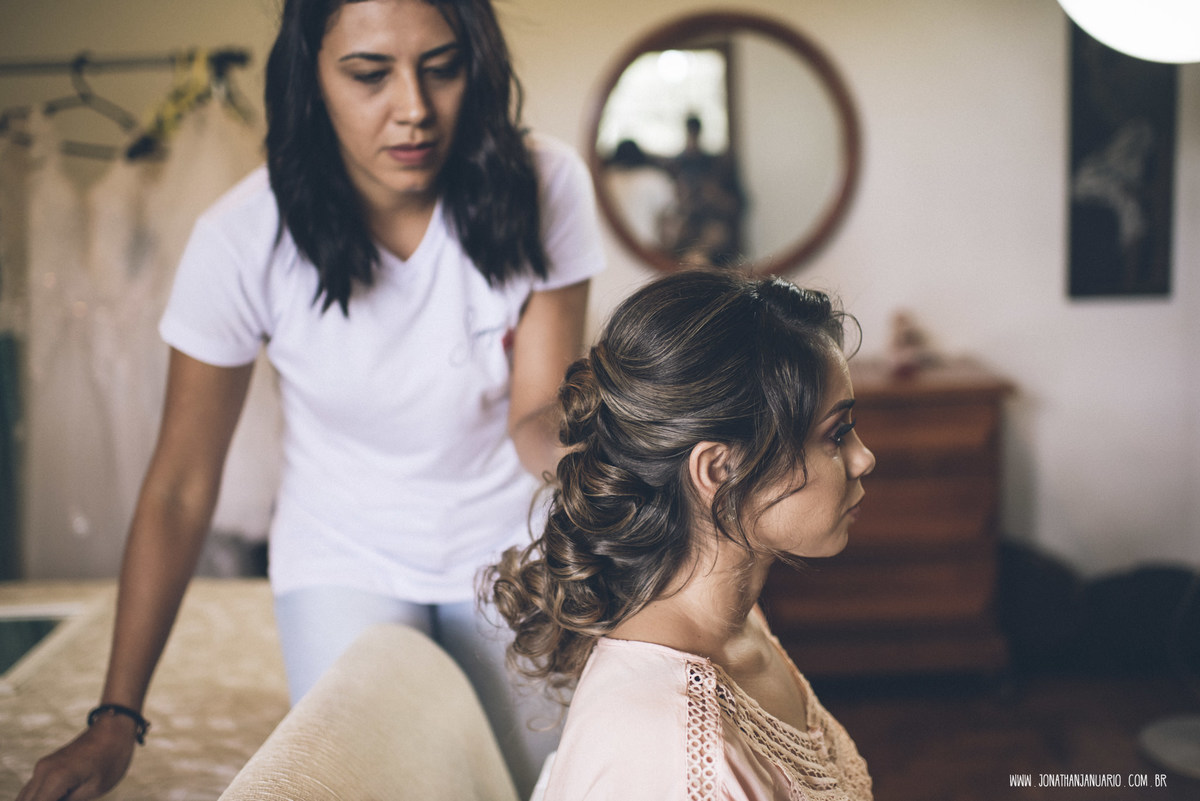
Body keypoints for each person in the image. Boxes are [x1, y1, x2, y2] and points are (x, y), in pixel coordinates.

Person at [17, 1, 604, 799]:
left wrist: (631, 479)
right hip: (344, 550)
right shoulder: (241, 238)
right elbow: (181, 487)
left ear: (481, 66)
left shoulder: (547, 184)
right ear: (311, 79)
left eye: (442, 67)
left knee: (546, 780)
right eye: (369, 74)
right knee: (373, 775)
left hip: (506, 538)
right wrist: (117, 713)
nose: (414, 109)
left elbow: (536, 417)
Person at [489, 270, 875, 800]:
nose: (864, 458)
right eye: (836, 434)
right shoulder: (679, 754)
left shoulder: (740, 625)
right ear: (718, 470)